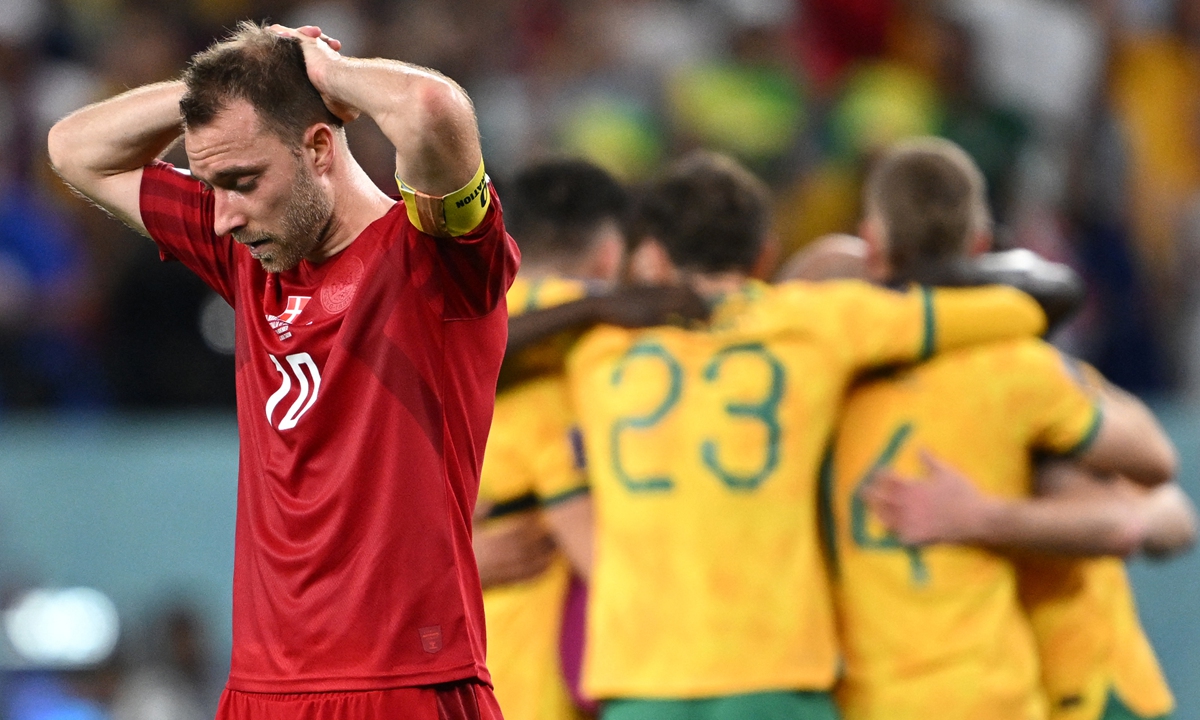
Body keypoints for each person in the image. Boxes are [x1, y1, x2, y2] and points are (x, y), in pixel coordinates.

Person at [47, 21, 518, 720]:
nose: (221, 218)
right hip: (259, 690)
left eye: (241, 181)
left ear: (319, 146)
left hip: (402, 684)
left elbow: (429, 108)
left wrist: (323, 71)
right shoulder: (252, 257)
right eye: (213, 185)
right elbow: (74, 150)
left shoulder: (437, 263)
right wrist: (223, 86)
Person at [563, 151, 1051, 720]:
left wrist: (602, 304)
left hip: (641, 678)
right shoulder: (818, 321)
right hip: (778, 671)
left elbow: (484, 344)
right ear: (766, 255)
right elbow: (1015, 311)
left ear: (654, 260)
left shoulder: (592, 349)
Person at [822, 137, 1184, 720]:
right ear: (982, 245)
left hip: (1069, 688)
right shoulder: (1017, 361)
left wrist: (984, 517)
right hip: (1008, 690)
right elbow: (1153, 488)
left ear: (873, 247)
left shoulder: (831, 378)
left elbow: (1146, 517)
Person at [475, 158, 627, 720]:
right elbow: (598, 556)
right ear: (610, 253)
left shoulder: (441, 332)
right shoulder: (593, 350)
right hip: (533, 688)